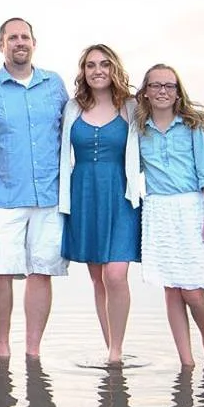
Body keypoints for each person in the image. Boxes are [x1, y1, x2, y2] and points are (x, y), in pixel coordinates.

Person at [0, 17, 69, 360]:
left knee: (41, 272)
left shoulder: (54, 85)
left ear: (34, 42)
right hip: (1, 198)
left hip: (48, 196)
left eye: (24, 36)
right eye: (11, 38)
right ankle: (2, 348)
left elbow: (82, 119)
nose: (19, 42)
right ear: (1, 45)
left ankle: (33, 350)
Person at [135, 63, 204, 366]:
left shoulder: (193, 125)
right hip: (158, 209)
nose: (162, 91)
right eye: (156, 85)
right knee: (171, 289)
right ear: (145, 92)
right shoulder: (137, 128)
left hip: (190, 208)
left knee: (193, 290)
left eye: (169, 86)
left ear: (177, 92)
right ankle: (186, 361)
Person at [59, 44, 143, 365]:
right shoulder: (72, 108)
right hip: (83, 196)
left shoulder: (131, 107)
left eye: (104, 64)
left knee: (116, 275)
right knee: (98, 278)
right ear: (83, 71)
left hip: (120, 196)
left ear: (114, 69)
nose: (98, 70)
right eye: (91, 65)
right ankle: (112, 350)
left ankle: (117, 350)